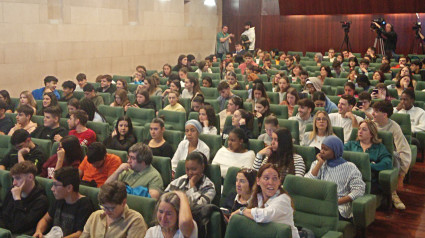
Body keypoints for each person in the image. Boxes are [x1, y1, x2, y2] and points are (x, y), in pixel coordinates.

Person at [230, 163, 299, 238]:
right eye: (266, 178)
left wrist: (241, 210)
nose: (271, 182)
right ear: (258, 181)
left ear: (279, 182)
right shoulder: (257, 197)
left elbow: (265, 215)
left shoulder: (283, 199)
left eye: (275, 178)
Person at [305, 136, 365, 221]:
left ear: (335, 151)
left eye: (325, 149)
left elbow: (359, 190)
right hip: (319, 202)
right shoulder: (317, 163)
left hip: (339, 206)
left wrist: (336, 202)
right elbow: (307, 182)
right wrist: (319, 164)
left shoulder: (350, 167)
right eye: (321, 148)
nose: (321, 151)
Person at [33, 167, 94, 238]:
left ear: (69, 188)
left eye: (55, 185)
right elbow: (45, 219)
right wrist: (39, 231)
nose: (52, 189)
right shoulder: (60, 198)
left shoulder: (84, 204)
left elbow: (81, 233)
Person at [372, 100, 410, 210]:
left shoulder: (395, 127)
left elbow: (403, 151)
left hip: (388, 157)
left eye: (376, 112)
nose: (372, 113)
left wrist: (401, 175)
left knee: (394, 156)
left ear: (384, 115)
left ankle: (393, 193)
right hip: (372, 154)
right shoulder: (371, 124)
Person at [81, 181, 147, 237]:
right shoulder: (95, 216)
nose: (106, 212)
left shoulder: (135, 220)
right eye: (104, 207)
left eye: (111, 208)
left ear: (123, 203)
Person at [344, 120, 392, 194]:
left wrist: (371, 166)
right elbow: (339, 156)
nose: (360, 131)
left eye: (364, 129)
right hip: (349, 178)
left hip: (369, 181)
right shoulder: (350, 145)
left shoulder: (379, 147)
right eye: (359, 129)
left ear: (371, 134)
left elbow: (387, 162)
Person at [0, 161, 48, 235]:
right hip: (5, 230)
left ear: (30, 177)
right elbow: (3, 214)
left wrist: (17, 199)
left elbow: (21, 226)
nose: (14, 183)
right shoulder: (13, 189)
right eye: (13, 179)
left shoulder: (41, 200)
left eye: (18, 178)